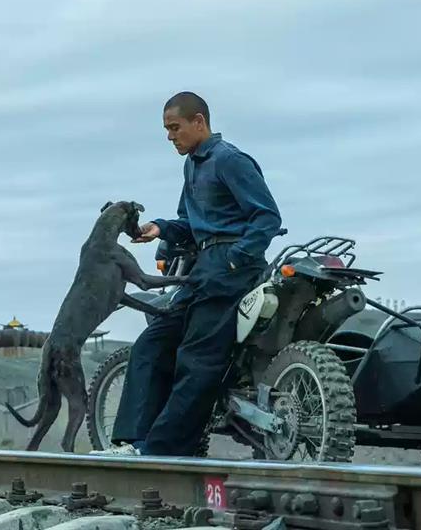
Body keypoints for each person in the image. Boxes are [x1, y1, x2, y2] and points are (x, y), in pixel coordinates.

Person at [96, 92, 282, 457]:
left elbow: (267, 218)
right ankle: (132, 443)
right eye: (166, 129)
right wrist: (160, 229)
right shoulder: (192, 165)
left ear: (199, 122)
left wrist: (235, 259)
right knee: (152, 344)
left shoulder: (230, 160)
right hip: (200, 271)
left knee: (197, 360)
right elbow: (189, 223)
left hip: (230, 272)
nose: (169, 136)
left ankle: (159, 451)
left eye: (174, 127)